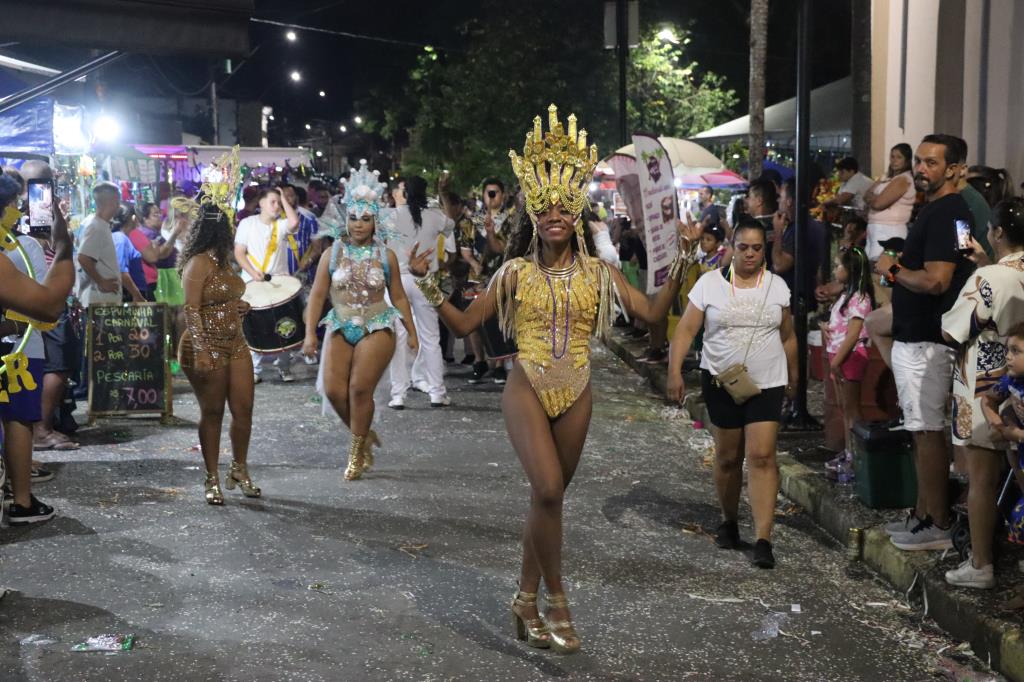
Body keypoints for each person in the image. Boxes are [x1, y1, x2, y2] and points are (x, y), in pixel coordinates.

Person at [408, 106, 693, 654]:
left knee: (549, 502)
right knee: (548, 488)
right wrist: (427, 283)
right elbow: (468, 323)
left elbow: (654, 315)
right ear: (533, 214)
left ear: (577, 212)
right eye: (546, 208)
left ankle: (524, 597)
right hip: (528, 384)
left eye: (565, 206)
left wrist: (679, 257)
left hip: (578, 388)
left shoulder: (599, 272)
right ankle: (559, 601)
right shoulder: (514, 273)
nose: (556, 215)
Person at [667, 217, 798, 569]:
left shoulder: (776, 287)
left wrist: (795, 377)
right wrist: (674, 371)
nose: (751, 254)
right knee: (727, 456)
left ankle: (763, 538)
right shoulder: (710, 285)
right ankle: (728, 519)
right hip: (720, 381)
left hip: (767, 381)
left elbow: (788, 336)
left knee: (761, 456)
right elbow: (686, 330)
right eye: (744, 247)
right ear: (732, 246)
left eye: (757, 247)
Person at [875, 134, 975, 551]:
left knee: (928, 432)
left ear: (954, 169)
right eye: (918, 161)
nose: (920, 169)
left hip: (927, 341)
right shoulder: (949, 213)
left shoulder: (948, 212)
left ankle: (937, 522)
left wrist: (893, 271)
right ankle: (922, 515)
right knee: (921, 429)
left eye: (931, 163)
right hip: (923, 338)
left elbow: (937, 281)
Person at [302, 162, 418, 480]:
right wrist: (310, 333)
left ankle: (356, 452)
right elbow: (316, 297)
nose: (357, 225)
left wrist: (411, 331)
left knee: (357, 389)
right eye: (353, 218)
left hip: (378, 325)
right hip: (341, 324)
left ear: (375, 222)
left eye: (365, 219)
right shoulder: (332, 253)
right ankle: (363, 433)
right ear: (346, 218)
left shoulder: (386, 256)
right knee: (333, 390)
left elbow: (400, 297)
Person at [941, 198, 1024, 588]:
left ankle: (981, 563)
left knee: (981, 478)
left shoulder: (988, 278)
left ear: (998, 232)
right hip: (1019, 377)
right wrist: (984, 262)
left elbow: (953, 329)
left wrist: (982, 271)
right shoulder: (1003, 270)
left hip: (986, 377)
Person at [179, 200, 259, 506]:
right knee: (212, 412)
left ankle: (239, 469)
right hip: (205, 344)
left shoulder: (224, 263)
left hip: (236, 343)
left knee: (244, 409)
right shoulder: (198, 262)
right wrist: (201, 350)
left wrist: (242, 306)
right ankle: (212, 478)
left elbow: (228, 297)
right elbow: (191, 309)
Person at [0, 174, 56, 524]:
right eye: (15, 202)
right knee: (18, 418)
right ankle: (21, 499)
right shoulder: (25, 248)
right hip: (22, 345)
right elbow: (46, 300)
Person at [385, 175, 455, 409]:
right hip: (425, 281)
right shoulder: (435, 215)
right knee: (430, 338)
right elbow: (451, 225)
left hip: (396, 282)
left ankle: (398, 395)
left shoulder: (391, 216)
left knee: (399, 339)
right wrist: (442, 195)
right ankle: (437, 392)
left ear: (404, 194)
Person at [233, 187, 300, 383]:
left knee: (283, 324)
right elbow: (239, 253)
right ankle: (254, 368)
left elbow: (294, 222)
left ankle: (284, 366)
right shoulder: (247, 223)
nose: (276, 206)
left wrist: (283, 198)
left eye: (279, 203)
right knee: (254, 325)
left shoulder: (281, 225)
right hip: (252, 283)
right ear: (260, 203)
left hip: (279, 283)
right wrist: (253, 273)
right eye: (272, 202)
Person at [821, 246, 875, 480]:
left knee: (852, 410)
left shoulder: (860, 298)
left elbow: (853, 334)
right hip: (839, 355)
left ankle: (856, 457)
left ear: (850, 269)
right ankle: (849, 452)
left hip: (850, 356)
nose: (835, 270)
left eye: (838, 265)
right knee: (844, 409)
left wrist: (836, 362)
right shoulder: (846, 295)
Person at [771, 177, 826, 303]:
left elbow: (779, 265)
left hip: (794, 302)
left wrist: (777, 231)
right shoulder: (808, 225)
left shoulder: (800, 229)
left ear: (789, 201)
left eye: (781, 196)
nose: (778, 200)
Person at [863, 143, 916, 265]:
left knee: (882, 267)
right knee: (870, 265)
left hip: (889, 229)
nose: (894, 160)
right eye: (892, 156)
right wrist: (876, 198)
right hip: (876, 227)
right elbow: (866, 195)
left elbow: (878, 204)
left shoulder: (903, 179)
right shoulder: (887, 178)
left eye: (899, 157)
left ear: (907, 160)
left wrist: (875, 199)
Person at [75, 182, 124, 307]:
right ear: (113, 201)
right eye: (118, 200)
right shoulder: (96, 227)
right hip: (99, 300)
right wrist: (101, 281)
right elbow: (83, 257)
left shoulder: (93, 223)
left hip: (100, 299)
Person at [127, 202, 184, 301]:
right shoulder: (146, 234)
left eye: (159, 213)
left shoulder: (154, 233)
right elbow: (159, 255)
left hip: (164, 277)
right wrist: (175, 234)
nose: (160, 217)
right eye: (155, 215)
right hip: (159, 280)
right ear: (145, 219)